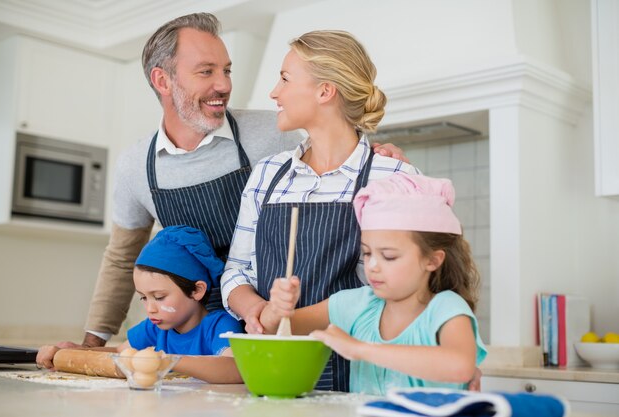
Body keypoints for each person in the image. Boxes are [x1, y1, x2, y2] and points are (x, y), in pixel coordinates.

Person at [71, 13, 407, 349]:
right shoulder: (137, 167)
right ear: (163, 80)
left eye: (226, 70)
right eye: (206, 71)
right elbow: (121, 258)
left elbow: (339, 144)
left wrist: (385, 158)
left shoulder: (273, 135)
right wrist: (92, 342)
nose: (224, 85)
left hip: (278, 330)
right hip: (205, 332)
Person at [220, 30, 421, 392]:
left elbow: (411, 293)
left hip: (364, 378)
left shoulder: (392, 177)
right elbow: (236, 272)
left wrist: (289, 317)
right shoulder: (267, 175)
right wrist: (258, 311)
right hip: (274, 372)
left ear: (325, 91)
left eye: (284, 78)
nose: (274, 93)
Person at [261, 173, 487, 395]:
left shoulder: (446, 308)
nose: (373, 266)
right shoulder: (358, 304)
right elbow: (274, 328)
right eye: (367, 253)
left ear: (432, 260)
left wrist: (360, 349)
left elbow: (460, 366)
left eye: (389, 256)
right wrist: (277, 308)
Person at [37, 226, 243, 383]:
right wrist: (67, 353)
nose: (150, 308)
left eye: (159, 297)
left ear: (197, 290)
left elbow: (235, 368)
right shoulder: (154, 328)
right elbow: (120, 354)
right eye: (144, 298)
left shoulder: (220, 326)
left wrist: (169, 360)